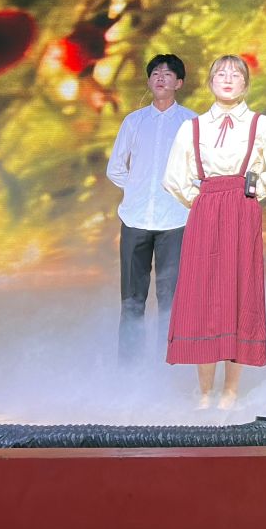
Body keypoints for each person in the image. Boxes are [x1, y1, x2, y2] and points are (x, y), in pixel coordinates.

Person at [161, 54, 266, 409]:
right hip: (205, 212)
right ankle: (204, 392)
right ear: (210, 82)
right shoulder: (192, 128)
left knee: (239, 292)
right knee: (202, 295)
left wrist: (255, 189)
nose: (227, 79)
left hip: (242, 210)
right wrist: (201, 200)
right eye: (221, 74)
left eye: (235, 74)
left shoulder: (261, 125)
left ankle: (231, 391)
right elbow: (173, 178)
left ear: (245, 84)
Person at [106, 53, 196, 361]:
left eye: (168, 74)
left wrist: (183, 196)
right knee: (132, 299)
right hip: (135, 220)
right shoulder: (134, 121)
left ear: (179, 83)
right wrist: (137, 189)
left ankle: (167, 364)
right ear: (148, 80)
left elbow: (201, 170)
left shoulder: (192, 123)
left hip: (175, 221)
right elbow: (115, 168)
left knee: (171, 300)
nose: (161, 78)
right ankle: (129, 367)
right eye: (156, 73)